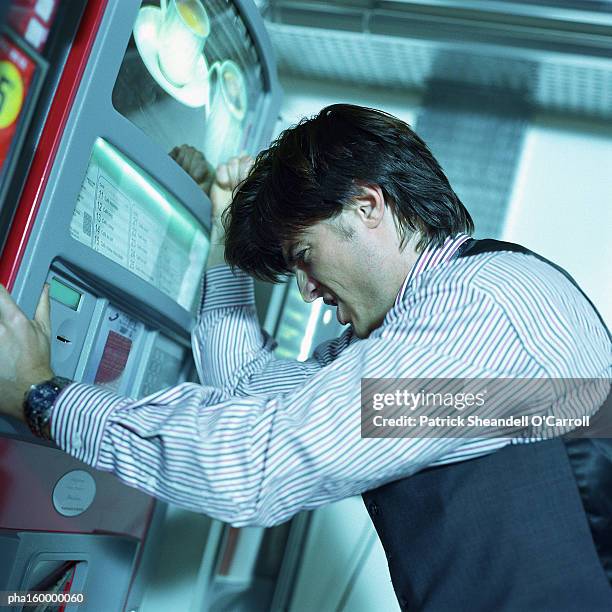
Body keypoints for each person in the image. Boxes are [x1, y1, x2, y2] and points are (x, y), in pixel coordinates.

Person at [1, 104, 611, 610]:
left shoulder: (481, 319)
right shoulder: (420, 324)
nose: (306, 291)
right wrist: (223, 231)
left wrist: (41, 397)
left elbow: (257, 465)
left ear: (366, 206)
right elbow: (247, 385)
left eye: (303, 254)